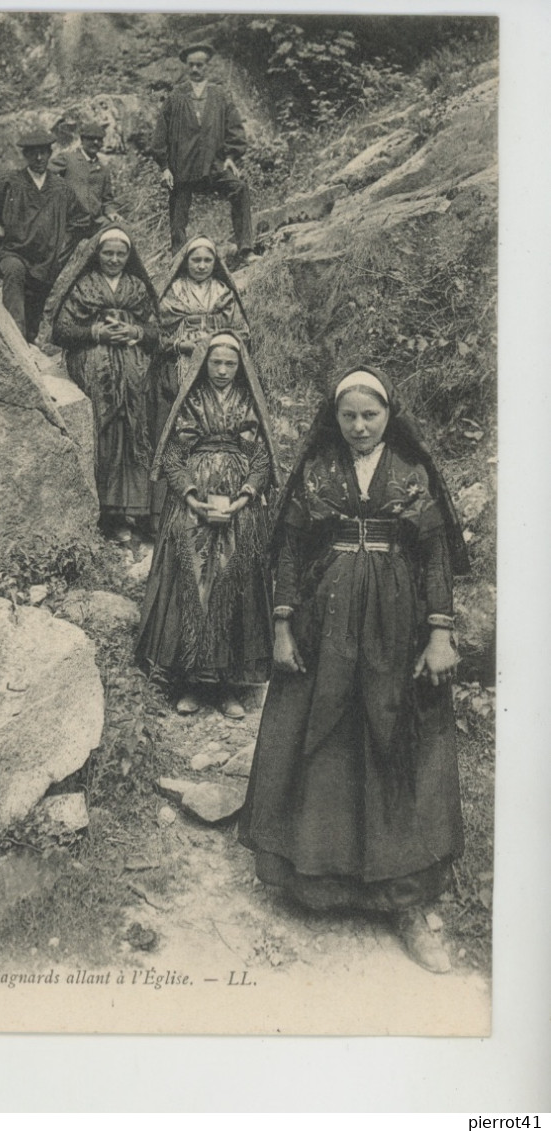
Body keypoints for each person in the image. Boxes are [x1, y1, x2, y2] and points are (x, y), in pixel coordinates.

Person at [238, 365, 471, 974]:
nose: (361, 426)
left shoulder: (412, 474)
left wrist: (441, 634)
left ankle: (404, 897)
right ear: (335, 418)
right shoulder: (317, 471)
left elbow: (436, 555)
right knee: (321, 735)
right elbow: (288, 548)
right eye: (350, 416)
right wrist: (283, 627)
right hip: (324, 623)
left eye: (371, 415)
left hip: (398, 628)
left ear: (389, 416)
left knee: (393, 738)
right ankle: (319, 882)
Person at [136, 332, 279, 719]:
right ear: (203, 363)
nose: (221, 370)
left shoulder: (249, 403)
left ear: (240, 366)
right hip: (193, 505)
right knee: (191, 581)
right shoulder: (191, 403)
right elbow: (172, 458)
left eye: (230, 364)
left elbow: (262, 459)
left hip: (239, 506)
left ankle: (230, 685)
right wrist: (192, 496)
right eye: (215, 362)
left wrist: (244, 498)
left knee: (236, 582)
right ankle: (191, 683)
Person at [50, 226, 159, 543]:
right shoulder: (84, 286)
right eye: (107, 253)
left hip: (133, 366)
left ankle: (135, 509)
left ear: (129, 256)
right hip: (95, 364)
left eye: (120, 254)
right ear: (97, 255)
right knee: (105, 425)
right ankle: (107, 513)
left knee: (135, 425)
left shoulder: (137, 286)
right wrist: (96, 333)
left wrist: (135, 334)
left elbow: (156, 333)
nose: (113, 259)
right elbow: (61, 331)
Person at [150, 234, 250, 527]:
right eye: (196, 260)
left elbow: (243, 333)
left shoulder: (223, 292)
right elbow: (155, 335)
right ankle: (163, 513)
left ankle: (217, 500)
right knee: (172, 432)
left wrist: (218, 342)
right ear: (185, 262)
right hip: (177, 372)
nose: (202, 265)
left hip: (218, 374)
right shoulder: (172, 294)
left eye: (208, 260)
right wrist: (180, 345)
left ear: (215, 263)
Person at [0, 129, 90, 343]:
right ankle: (12, 342)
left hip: (45, 261)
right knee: (14, 273)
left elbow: (81, 220)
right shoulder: (9, 181)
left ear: (50, 153)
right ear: (25, 155)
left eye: (43, 152)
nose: (39, 158)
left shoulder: (61, 188)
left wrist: (62, 249)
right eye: (33, 153)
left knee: (33, 319)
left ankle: (27, 346)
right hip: (13, 252)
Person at [151, 43, 259, 264]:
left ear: (207, 67)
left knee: (239, 189)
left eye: (199, 65)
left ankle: (246, 249)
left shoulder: (220, 95)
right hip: (184, 167)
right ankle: (178, 257)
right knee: (178, 207)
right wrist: (165, 167)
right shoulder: (176, 96)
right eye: (191, 65)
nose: (195, 69)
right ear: (186, 66)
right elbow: (160, 133)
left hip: (214, 165)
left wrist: (230, 157)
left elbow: (235, 128)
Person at [49, 122, 120, 236]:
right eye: (91, 139)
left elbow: (107, 200)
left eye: (99, 140)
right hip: (71, 223)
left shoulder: (103, 169)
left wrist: (111, 212)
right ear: (82, 140)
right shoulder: (68, 159)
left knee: (121, 231)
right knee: (59, 253)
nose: (95, 142)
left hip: (95, 224)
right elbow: (43, 174)